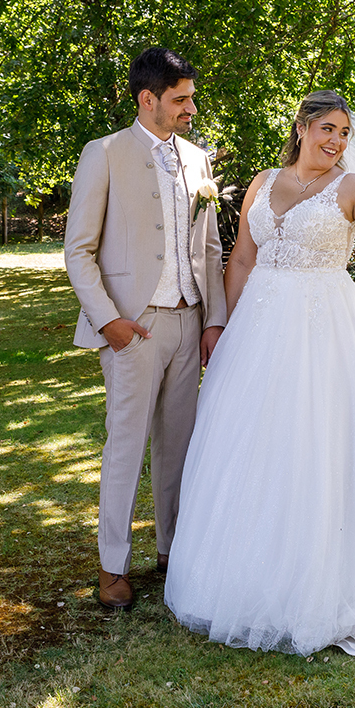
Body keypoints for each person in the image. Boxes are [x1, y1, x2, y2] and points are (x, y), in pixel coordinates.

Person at [163, 91, 355, 658]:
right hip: (258, 328)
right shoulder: (264, 182)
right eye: (328, 129)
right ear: (303, 126)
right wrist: (226, 328)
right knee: (252, 446)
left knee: (319, 440)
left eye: (344, 135)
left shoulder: (352, 189)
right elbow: (241, 258)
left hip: (325, 329)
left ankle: (325, 579)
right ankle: (246, 575)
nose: (336, 142)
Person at [64, 47, 227, 609]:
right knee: (126, 447)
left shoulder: (199, 160)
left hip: (189, 324)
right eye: (180, 99)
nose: (190, 108)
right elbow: (78, 250)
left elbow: (209, 248)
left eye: (191, 97)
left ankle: (172, 550)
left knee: (179, 447)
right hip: (132, 329)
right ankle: (113, 566)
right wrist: (108, 320)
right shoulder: (103, 154)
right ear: (147, 99)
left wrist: (216, 319)